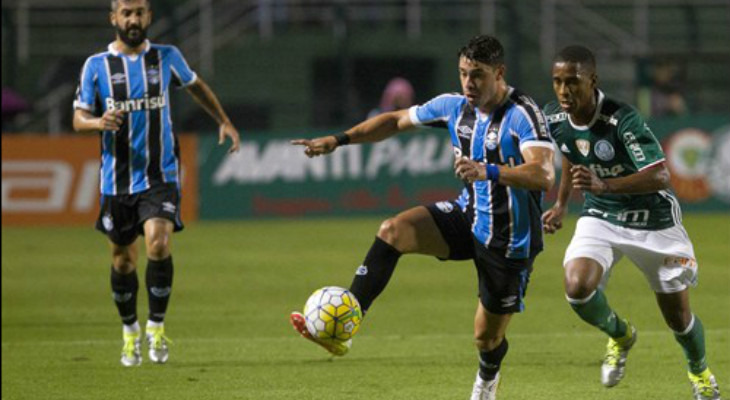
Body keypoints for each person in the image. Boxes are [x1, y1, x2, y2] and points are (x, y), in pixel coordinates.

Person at [291, 35, 555, 399]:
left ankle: (486, 382)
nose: (468, 83)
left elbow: (543, 174)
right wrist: (339, 140)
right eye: (463, 73)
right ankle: (344, 325)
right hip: (468, 215)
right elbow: (396, 120)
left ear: (499, 73)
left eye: (477, 75)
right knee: (394, 230)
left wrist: (486, 171)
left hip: (510, 238)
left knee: (486, 337)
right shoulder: (453, 106)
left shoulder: (522, 114)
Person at [542, 45, 721, 400]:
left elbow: (661, 176)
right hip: (601, 215)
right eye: (557, 82)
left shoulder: (622, 118)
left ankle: (700, 373)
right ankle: (620, 334)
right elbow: (569, 155)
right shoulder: (556, 118)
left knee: (678, 319)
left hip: (652, 221)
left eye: (573, 82)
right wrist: (561, 205)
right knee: (577, 288)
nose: (564, 90)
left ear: (592, 80)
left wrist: (604, 183)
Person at [72, 0, 240, 367]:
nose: (134, 19)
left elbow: (196, 86)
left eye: (140, 12)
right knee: (122, 261)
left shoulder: (167, 57)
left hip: (160, 175)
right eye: (127, 12)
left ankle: (156, 328)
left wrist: (223, 119)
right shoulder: (96, 66)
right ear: (114, 17)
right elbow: (78, 117)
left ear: (149, 16)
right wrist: (98, 122)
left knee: (159, 245)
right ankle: (130, 331)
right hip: (117, 181)